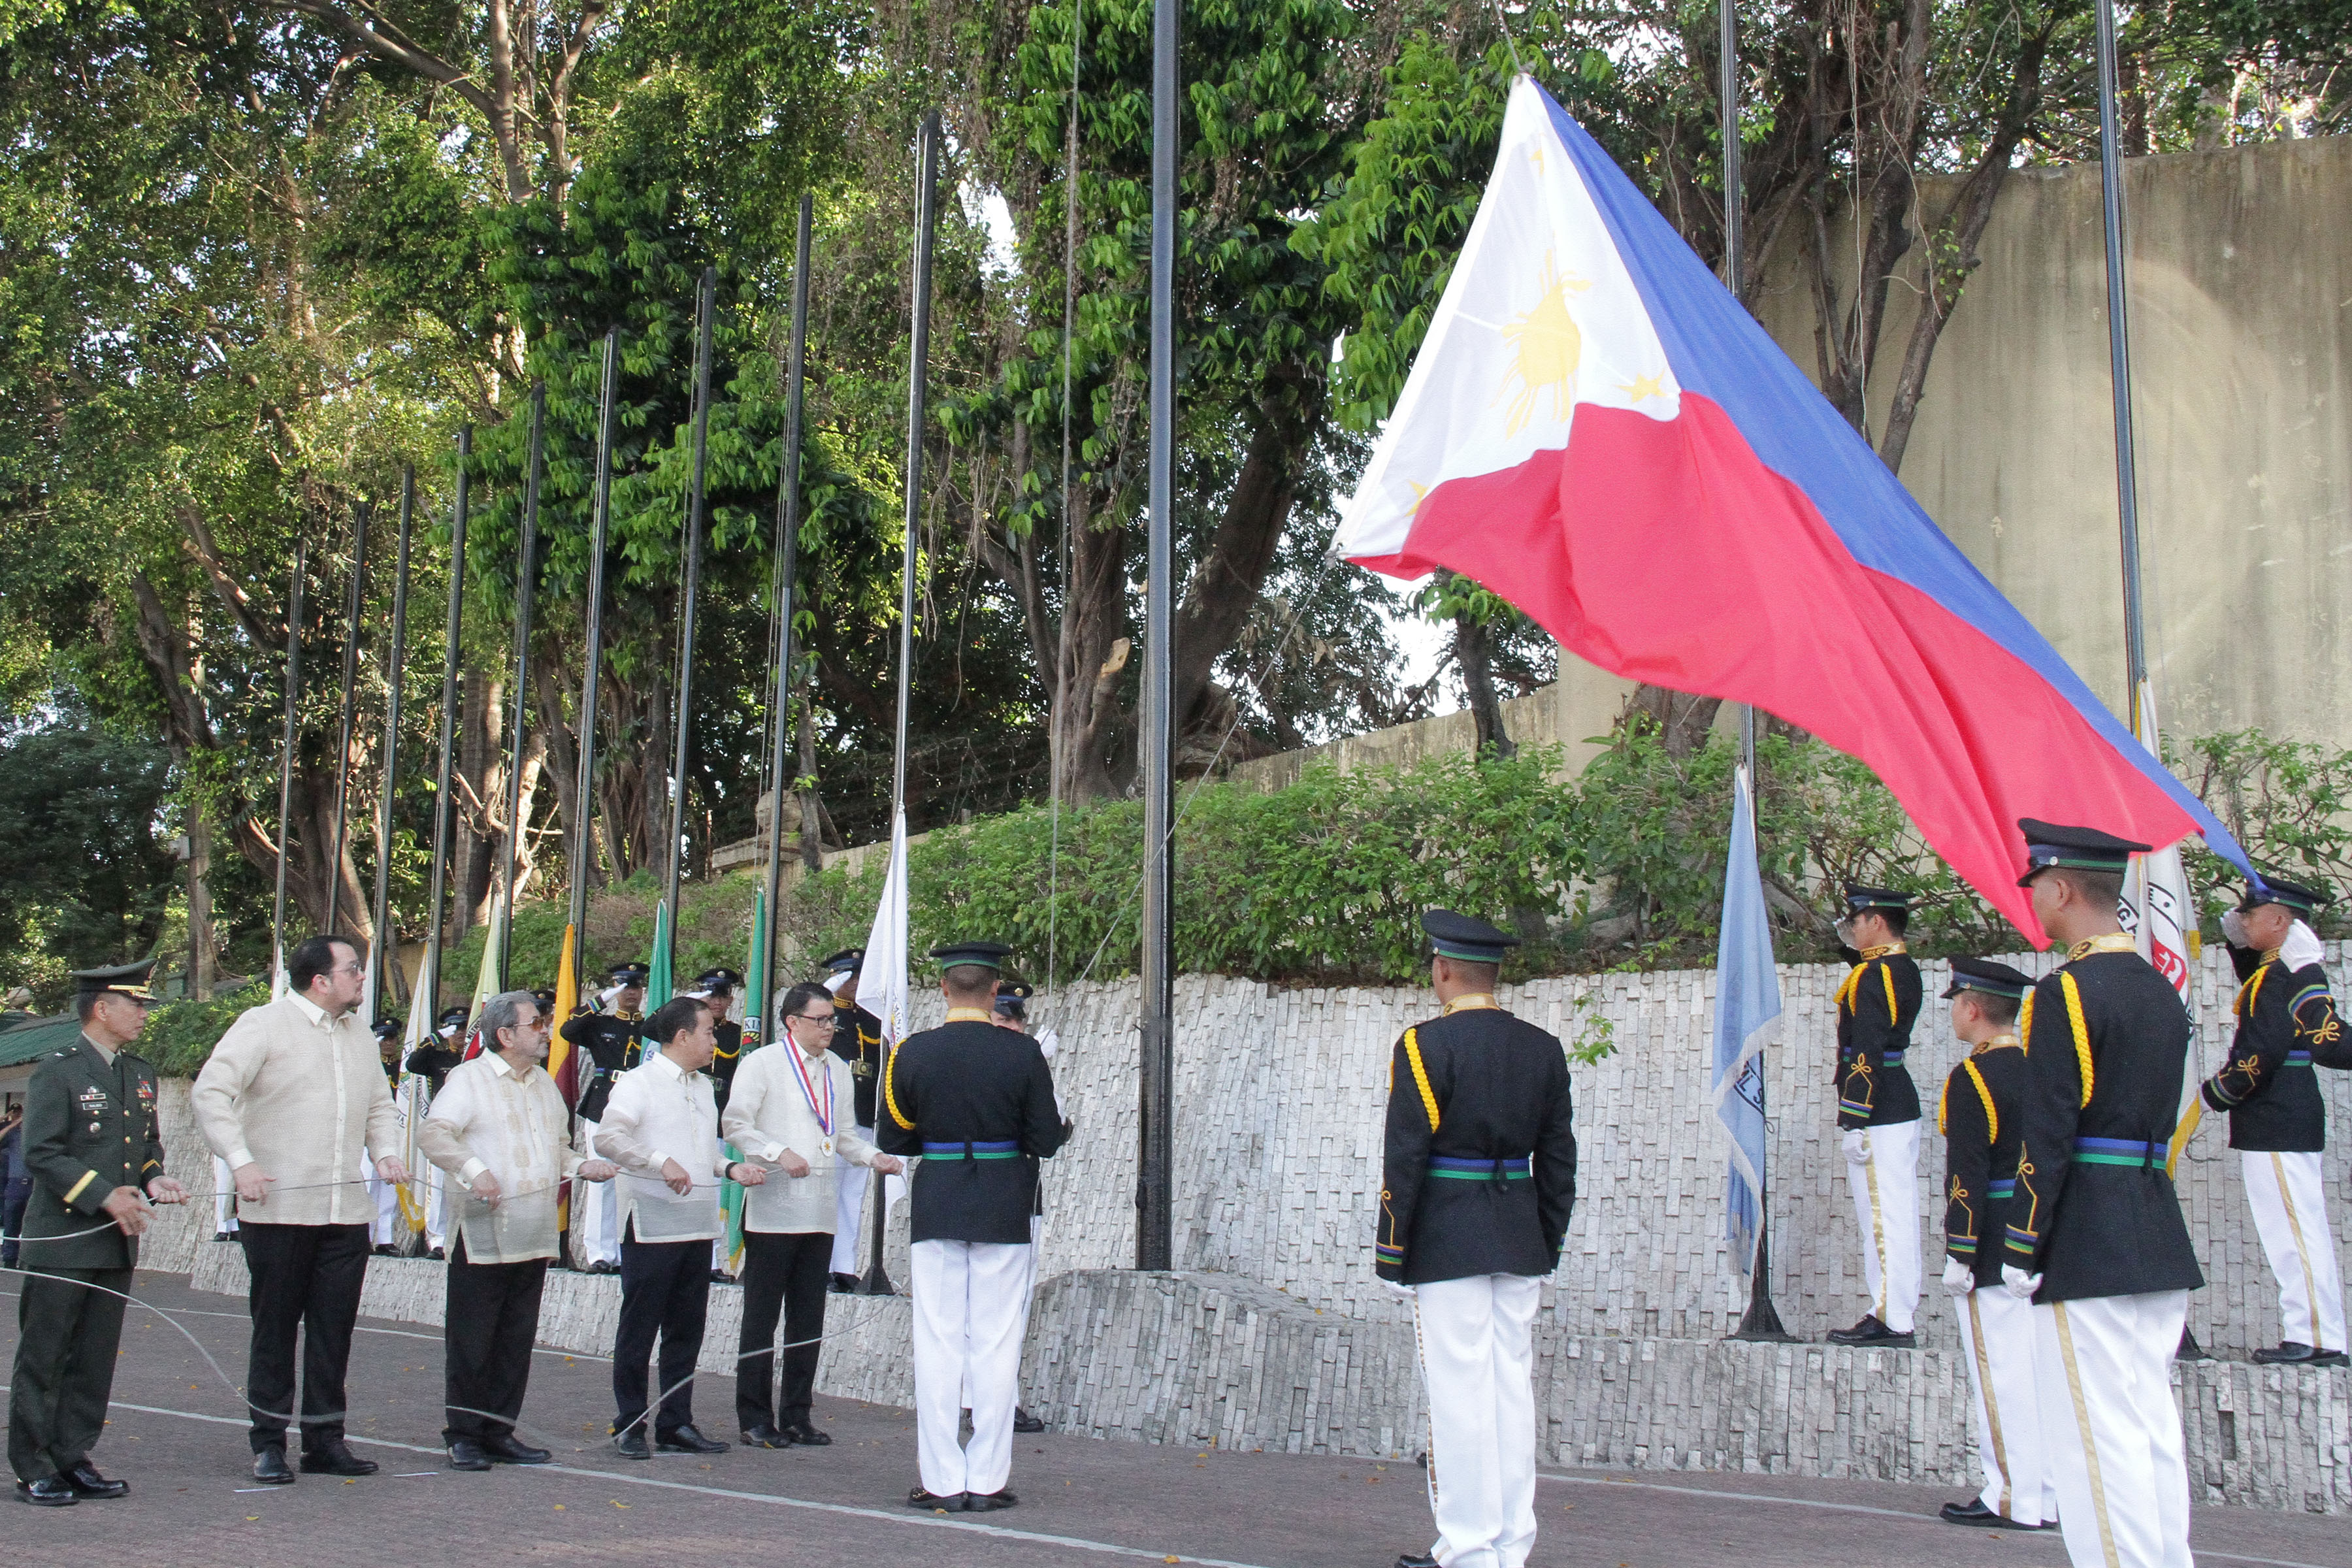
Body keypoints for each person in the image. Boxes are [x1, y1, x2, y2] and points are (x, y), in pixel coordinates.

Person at [2000, 819, 2205, 1568]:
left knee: (2094, 1437)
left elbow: (2048, 1134)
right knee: (2150, 1426)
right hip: (2153, 1224)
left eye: (2037, 891)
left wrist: (2023, 1239)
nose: (2036, 906)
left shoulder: (2065, 993)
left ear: (2060, 887)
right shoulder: (2160, 987)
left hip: (2088, 1235)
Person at [1377, 911, 1578, 1568]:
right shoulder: (1542, 1049)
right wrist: (1544, 1238)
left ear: (1442, 971)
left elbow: (1405, 1158)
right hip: (1517, 1234)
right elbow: (1557, 1161)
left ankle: (1466, 1549)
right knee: (1510, 1392)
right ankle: (1510, 1544)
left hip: (1448, 1238)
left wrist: (1393, 1247)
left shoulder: (1423, 1048)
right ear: (1494, 976)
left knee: (1460, 1395)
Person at [192, 933, 410, 1485]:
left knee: (334, 1330)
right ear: (321, 980)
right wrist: (239, 1161)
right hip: (278, 1212)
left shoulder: (360, 1034)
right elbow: (211, 1092)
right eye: (354, 970)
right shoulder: (262, 1024)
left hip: (345, 1213)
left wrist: (385, 1153)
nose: (363, 978)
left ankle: (324, 1441)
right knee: (275, 1330)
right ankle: (268, 1443)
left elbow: (380, 1106)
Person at [877, 941, 1067, 1512]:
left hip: (938, 1199)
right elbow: (1045, 1141)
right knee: (997, 1340)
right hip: (1005, 1200)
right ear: (993, 991)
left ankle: (940, 1479)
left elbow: (893, 1137)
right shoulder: (1023, 1053)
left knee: (937, 1340)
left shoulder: (911, 1052)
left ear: (942, 989)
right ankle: (985, 1481)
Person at [7, 960, 188, 1507]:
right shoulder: (57, 1071)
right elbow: (41, 1152)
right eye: (134, 1005)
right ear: (102, 1009)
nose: (142, 1015)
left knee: (94, 1356)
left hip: (115, 1239)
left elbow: (146, 1147)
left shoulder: (139, 1071)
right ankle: (33, 1464)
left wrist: (155, 1179)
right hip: (64, 1236)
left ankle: (73, 1455)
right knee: (47, 1354)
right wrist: (103, 1193)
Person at [417, 989, 617, 1472]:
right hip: (485, 1234)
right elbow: (433, 1134)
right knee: (473, 1339)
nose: (547, 1030)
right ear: (505, 1034)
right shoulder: (468, 1080)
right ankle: (463, 1435)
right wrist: (473, 1170)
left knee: (515, 1339)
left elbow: (557, 1150)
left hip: (534, 1233)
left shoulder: (545, 1085)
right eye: (536, 1023)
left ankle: (499, 1431)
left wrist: (582, 1165)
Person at [723, 982, 904, 1448]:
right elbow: (736, 1123)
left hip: (819, 1210)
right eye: (820, 1020)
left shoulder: (838, 1071)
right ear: (793, 1022)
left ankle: (798, 1412)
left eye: (831, 1020)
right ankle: (755, 1415)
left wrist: (872, 1157)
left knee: (809, 1317)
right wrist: (776, 1152)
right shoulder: (761, 1064)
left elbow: (843, 1134)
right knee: (762, 1317)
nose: (830, 1028)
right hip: (773, 1210)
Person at [593, 994, 764, 1458]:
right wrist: (657, 1161)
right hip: (651, 1222)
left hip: (696, 1221)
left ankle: (676, 1421)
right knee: (640, 1326)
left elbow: (705, 1153)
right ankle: (630, 1421)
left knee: (687, 1328)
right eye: (709, 1031)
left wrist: (732, 1170)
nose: (715, 1040)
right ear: (683, 1035)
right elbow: (608, 1137)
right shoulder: (639, 1082)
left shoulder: (703, 1087)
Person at [2202, 876, 2347, 1366]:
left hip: (2278, 1117)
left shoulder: (2282, 976)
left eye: (2251, 914)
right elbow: (2258, 990)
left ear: (2281, 922)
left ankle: (2313, 1336)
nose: (2242, 920)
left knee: (2293, 1231)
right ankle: (2317, 1333)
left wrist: (2219, 1091)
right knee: (2293, 1228)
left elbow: (2261, 1049)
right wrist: (2239, 941)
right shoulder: (2274, 972)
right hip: (2282, 1117)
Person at [1934, 958, 2055, 1531]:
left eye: (1957, 1001)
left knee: (2000, 1377)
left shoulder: (1973, 1077)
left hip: (1989, 1243)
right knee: (2036, 1375)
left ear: (1973, 1008)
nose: (1954, 1011)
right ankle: (2046, 1494)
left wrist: (1961, 1250)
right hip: (2034, 1235)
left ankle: (2010, 1495)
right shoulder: (2039, 1071)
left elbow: (1967, 1171)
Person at [1827, 883, 1924, 1347]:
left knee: (1884, 1218)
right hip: (1893, 1100)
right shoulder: (1894, 968)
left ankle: (1891, 1316)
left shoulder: (1877, 975)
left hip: (1880, 1106)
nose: (1853, 927)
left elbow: (1866, 1046)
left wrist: (1856, 1115)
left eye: (1857, 920)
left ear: (1877, 922)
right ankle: (1892, 1310)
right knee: (1890, 1214)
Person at [990, 979, 1061, 1435]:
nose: (1012, 1027)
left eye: (1016, 1020)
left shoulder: (1031, 1065)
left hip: (1022, 1191)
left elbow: (1050, 1134)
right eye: (1003, 1018)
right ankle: (988, 1402)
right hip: (993, 1193)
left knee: (1012, 1307)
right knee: (989, 1311)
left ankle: (998, 1400)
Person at [561, 962, 647, 1275]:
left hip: (638, 1109)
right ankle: (599, 1253)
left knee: (631, 1181)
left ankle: (624, 1252)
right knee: (602, 1181)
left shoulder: (647, 1027)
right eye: (624, 988)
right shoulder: (601, 1024)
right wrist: (600, 1000)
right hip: (602, 1105)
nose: (630, 994)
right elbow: (568, 1030)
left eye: (635, 988)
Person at [824, 947, 885, 1292]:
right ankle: (823, 1266)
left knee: (853, 1194)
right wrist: (826, 992)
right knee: (827, 1192)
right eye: (853, 976)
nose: (859, 982)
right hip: (831, 1118)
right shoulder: (826, 1016)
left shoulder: (871, 1018)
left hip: (862, 1115)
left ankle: (844, 1266)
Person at [692, 966, 745, 1284]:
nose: (717, 1001)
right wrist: (692, 1002)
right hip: (696, 1113)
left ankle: (715, 1260)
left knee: (720, 1194)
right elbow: (654, 1026)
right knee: (701, 1191)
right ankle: (704, 1258)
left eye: (723, 995)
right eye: (710, 993)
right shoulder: (688, 1030)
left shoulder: (739, 1034)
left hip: (724, 1116)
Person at [405, 1005, 469, 1260]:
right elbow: (413, 1063)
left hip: (470, 1126)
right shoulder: (438, 1059)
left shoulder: (475, 1059)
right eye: (455, 1029)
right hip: (444, 1126)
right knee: (440, 1186)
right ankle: (439, 1241)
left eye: (464, 1029)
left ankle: (461, 1238)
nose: (460, 1034)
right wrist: (438, 1036)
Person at [367, 1019, 404, 1256]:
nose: (388, 1043)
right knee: (367, 1188)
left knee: (389, 1190)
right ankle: (364, 1237)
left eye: (392, 1038)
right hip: (368, 1132)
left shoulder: (401, 1067)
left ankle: (385, 1238)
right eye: (384, 1038)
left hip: (394, 1129)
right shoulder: (368, 1067)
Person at [0, 1102, 27, 1270]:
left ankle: (28, 1260)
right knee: (12, 1223)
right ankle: (10, 1259)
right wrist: (12, 1124)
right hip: (15, 1183)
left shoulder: (34, 1131)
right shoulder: (12, 1134)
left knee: (33, 1224)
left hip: (33, 1183)